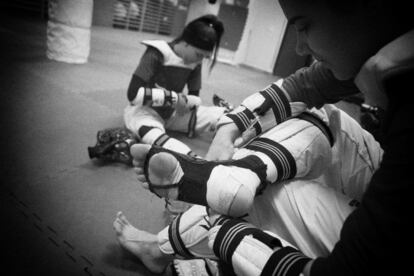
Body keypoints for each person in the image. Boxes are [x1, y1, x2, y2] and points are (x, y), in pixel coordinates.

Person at [114, 0, 413, 275]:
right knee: (319, 116)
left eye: (304, 26)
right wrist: (228, 127)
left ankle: (202, 205)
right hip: (146, 114)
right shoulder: (157, 52)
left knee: (249, 207)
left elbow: (193, 99)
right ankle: (231, 177)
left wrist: (229, 239)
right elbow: (302, 86)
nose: (298, 47)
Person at [124, 14, 226, 158]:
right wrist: (173, 99)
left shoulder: (194, 63)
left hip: (173, 113)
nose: (200, 61)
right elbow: (133, 94)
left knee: (220, 114)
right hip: (143, 112)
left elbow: (195, 99)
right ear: (186, 43)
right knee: (153, 136)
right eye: (198, 54)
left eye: (204, 57)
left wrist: (185, 102)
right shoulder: (157, 52)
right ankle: (195, 161)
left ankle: (236, 116)